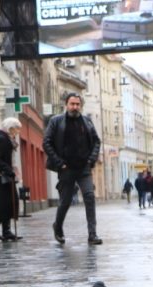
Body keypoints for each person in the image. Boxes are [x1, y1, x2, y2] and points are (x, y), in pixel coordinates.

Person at [44, 93, 103, 245]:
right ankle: (58, 227)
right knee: (65, 201)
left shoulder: (87, 122)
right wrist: (59, 163)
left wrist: (91, 159)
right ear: (66, 104)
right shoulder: (56, 121)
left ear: (80, 106)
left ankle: (92, 234)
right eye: (72, 104)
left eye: (77, 104)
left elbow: (96, 141)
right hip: (66, 168)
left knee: (89, 197)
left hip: (84, 167)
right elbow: (47, 143)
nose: (75, 107)